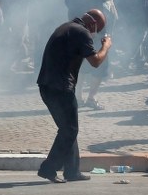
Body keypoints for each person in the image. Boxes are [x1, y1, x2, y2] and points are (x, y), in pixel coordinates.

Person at [36, 9, 112, 183]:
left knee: (68, 128)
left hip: (47, 86)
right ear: (92, 24)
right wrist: (106, 45)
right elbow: (95, 62)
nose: (95, 34)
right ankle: (48, 168)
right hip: (61, 88)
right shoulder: (82, 32)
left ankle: (72, 171)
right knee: (69, 129)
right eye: (97, 29)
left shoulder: (67, 27)